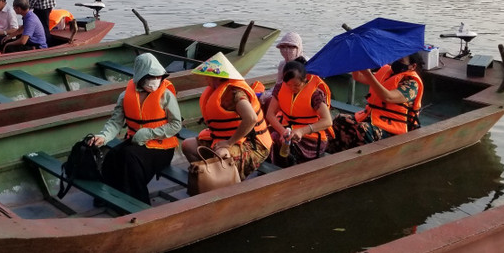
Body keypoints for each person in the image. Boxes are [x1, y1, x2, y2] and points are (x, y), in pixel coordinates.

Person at [88, 53, 182, 204]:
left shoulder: (166, 95)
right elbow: (115, 122)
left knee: (130, 156)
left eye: (159, 77)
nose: (156, 81)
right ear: (141, 76)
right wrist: (103, 136)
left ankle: (139, 203)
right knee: (112, 155)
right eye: (152, 76)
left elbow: (176, 125)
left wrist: (150, 133)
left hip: (162, 146)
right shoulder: (125, 96)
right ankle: (110, 197)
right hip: (136, 141)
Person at [182, 52, 272, 180]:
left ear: (217, 77)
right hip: (222, 137)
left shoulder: (236, 94)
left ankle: (230, 187)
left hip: (252, 143)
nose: (205, 79)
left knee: (221, 154)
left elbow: (251, 118)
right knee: (187, 145)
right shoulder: (216, 90)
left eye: (208, 76)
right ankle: (207, 179)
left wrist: (230, 142)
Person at [330, 53, 425, 151]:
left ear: (413, 66)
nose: (396, 62)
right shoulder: (387, 72)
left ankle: (362, 159)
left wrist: (368, 74)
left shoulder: (412, 83)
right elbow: (358, 77)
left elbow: (388, 97)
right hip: (372, 117)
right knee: (340, 120)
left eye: (401, 61)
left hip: (393, 126)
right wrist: (357, 62)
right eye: (396, 58)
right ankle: (335, 156)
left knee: (362, 129)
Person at [264, 61, 333, 166]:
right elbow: (270, 114)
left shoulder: (315, 94)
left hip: (310, 137)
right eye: (288, 85)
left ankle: (282, 173)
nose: (292, 88)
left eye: (296, 85)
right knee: (264, 138)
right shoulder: (280, 88)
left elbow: (327, 121)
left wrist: (301, 131)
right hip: (286, 129)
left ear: (304, 80)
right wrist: (283, 132)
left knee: (279, 142)